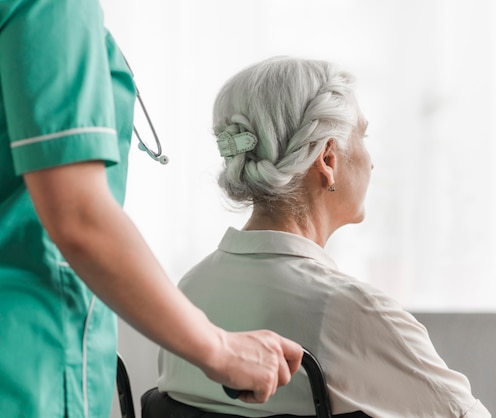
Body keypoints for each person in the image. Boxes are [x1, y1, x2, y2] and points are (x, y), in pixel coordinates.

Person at [0, 1, 303, 417]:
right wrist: (222, 350)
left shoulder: (199, 282)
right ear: (326, 158)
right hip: (26, 357)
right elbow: (78, 217)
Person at [156, 56, 491, 417]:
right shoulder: (355, 313)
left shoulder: (187, 295)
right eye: (363, 135)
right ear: (328, 160)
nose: (372, 160)